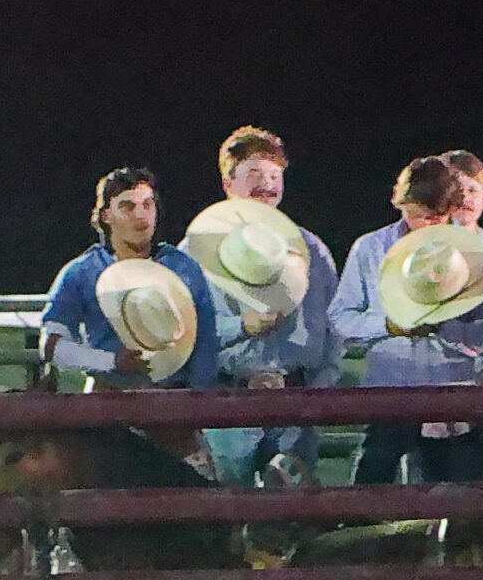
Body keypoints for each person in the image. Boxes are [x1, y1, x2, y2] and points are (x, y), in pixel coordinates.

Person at [331, 157, 483, 484]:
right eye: (411, 213)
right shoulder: (370, 250)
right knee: (368, 509)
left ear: (449, 211)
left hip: (466, 414)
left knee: (464, 519)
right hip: (390, 406)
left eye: (431, 217)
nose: (419, 224)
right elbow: (340, 320)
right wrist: (388, 325)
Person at [187, 127, 341, 486]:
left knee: (297, 516)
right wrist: (240, 327)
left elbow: (334, 328)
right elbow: (184, 332)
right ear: (228, 182)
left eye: (275, 176)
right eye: (254, 175)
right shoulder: (195, 250)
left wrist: (315, 396)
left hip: (295, 407)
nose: (267, 186)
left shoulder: (311, 249)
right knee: (229, 509)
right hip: (227, 406)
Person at [39, 168, 222, 390]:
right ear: (106, 215)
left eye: (147, 204)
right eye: (127, 206)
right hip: (108, 399)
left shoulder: (183, 267)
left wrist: (196, 405)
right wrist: (110, 362)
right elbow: (51, 345)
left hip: (175, 398)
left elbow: (206, 343)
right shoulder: (82, 272)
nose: (140, 215)